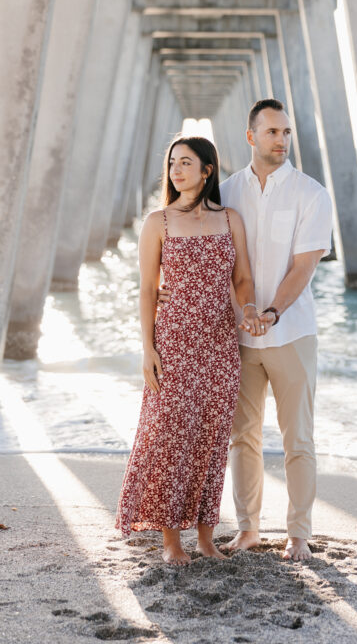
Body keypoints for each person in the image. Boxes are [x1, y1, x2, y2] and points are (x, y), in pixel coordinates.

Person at [114, 135, 261, 566]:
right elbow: (146, 290)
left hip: (219, 344)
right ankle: (170, 542)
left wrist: (249, 308)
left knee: (212, 440)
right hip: (174, 343)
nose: (176, 171)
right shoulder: (157, 222)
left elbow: (243, 280)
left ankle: (206, 538)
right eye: (173, 163)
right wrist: (147, 348)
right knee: (169, 438)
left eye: (186, 163)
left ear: (207, 170)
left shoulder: (230, 219)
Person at [222, 99, 333, 562]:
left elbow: (305, 265)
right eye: (271, 132)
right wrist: (241, 312)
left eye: (286, 132)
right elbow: (220, 265)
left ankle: (298, 535)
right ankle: (247, 529)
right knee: (242, 436)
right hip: (240, 338)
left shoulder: (311, 193)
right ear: (251, 137)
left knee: (298, 438)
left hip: (292, 333)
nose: (281, 140)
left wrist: (270, 311)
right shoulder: (226, 193)